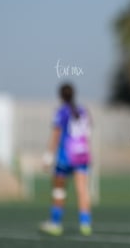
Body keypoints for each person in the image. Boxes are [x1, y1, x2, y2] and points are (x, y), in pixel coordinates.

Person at [39, 83, 92, 236]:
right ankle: (85, 224)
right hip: (81, 155)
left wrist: (48, 157)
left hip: (65, 156)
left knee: (59, 190)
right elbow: (87, 132)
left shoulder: (61, 111)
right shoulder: (83, 110)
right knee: (82, 190)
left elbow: (56, 134)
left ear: (61, 96)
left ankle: (55, 223)